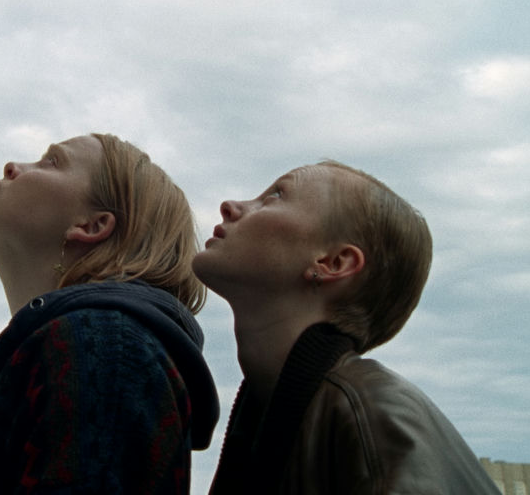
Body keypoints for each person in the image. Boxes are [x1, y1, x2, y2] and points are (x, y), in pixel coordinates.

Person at [0, 134, 220, 494]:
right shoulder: (78, 344)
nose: (13, 167)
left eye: (52, 161)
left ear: (92, 225)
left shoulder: (104, 346)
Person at [193, 161, 501, 494]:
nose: (230, 206)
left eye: (277, 195)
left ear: (333, 263)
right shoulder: (277, 413)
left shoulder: (374, 417)